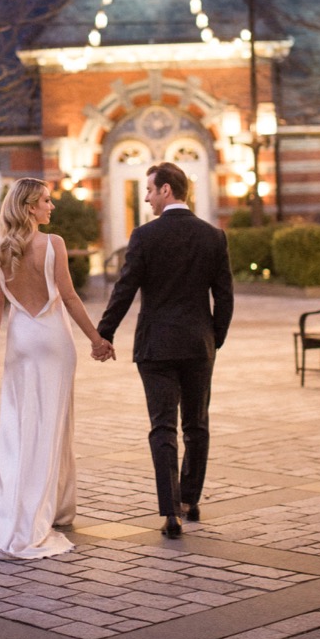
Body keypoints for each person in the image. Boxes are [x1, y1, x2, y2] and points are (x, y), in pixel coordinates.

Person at [97, 162, 234, 538]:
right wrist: (213, 338)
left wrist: (104, 333)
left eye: (150, 190)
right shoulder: (214, 237)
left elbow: (124, 289)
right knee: (196, 424)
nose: (146, 197)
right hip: (197, 345)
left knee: (162, 427)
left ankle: (170, 513)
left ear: (166, 191)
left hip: (156, 347)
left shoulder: (144, 236)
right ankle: (190, 500)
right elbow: (224, 297)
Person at [0, 178, 114, 560]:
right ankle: (51, 510)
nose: (51, 206)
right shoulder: (53, 244)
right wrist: (96, 339)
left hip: (21, 341)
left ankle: (33, 508)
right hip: (54, 340)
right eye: (45, 200)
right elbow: (70, 297)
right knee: (55, 424)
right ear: (28, 207)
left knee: (20, 428)